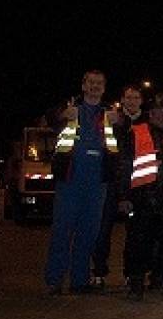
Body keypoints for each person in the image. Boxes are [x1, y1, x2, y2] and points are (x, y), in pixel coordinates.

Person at [44, 69, 120, 295]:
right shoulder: (70, 108)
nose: (95, 86)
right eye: (91, 82)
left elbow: (127, 130)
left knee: (88, 233)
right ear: (83, 86)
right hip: (70, 179)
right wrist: (61, 114)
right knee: (62, 231)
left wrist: (121, 120)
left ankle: (80, 280)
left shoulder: (111, 113)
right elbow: (50, 118)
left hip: (97, 182)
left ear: (104, 88)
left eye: (100, 83)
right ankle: (54, 281)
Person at [117, 92, 163, 301]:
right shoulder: (136, 133)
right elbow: (124, 167)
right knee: (138, 243)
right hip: (143, 198)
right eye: (159, 111)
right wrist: (124, 196)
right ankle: (136, 283)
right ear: (150, 113)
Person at [91, 84, 145, 290]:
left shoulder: (146, 123)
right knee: (103, 230)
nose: (132, 101)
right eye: (128, 97)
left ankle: (131, 274)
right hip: (111, 182)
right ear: (122, 100)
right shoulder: (112, 120)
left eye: (136, 97)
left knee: (135, 233)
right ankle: (98, 272)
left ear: (141, 101)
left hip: (137, 185)